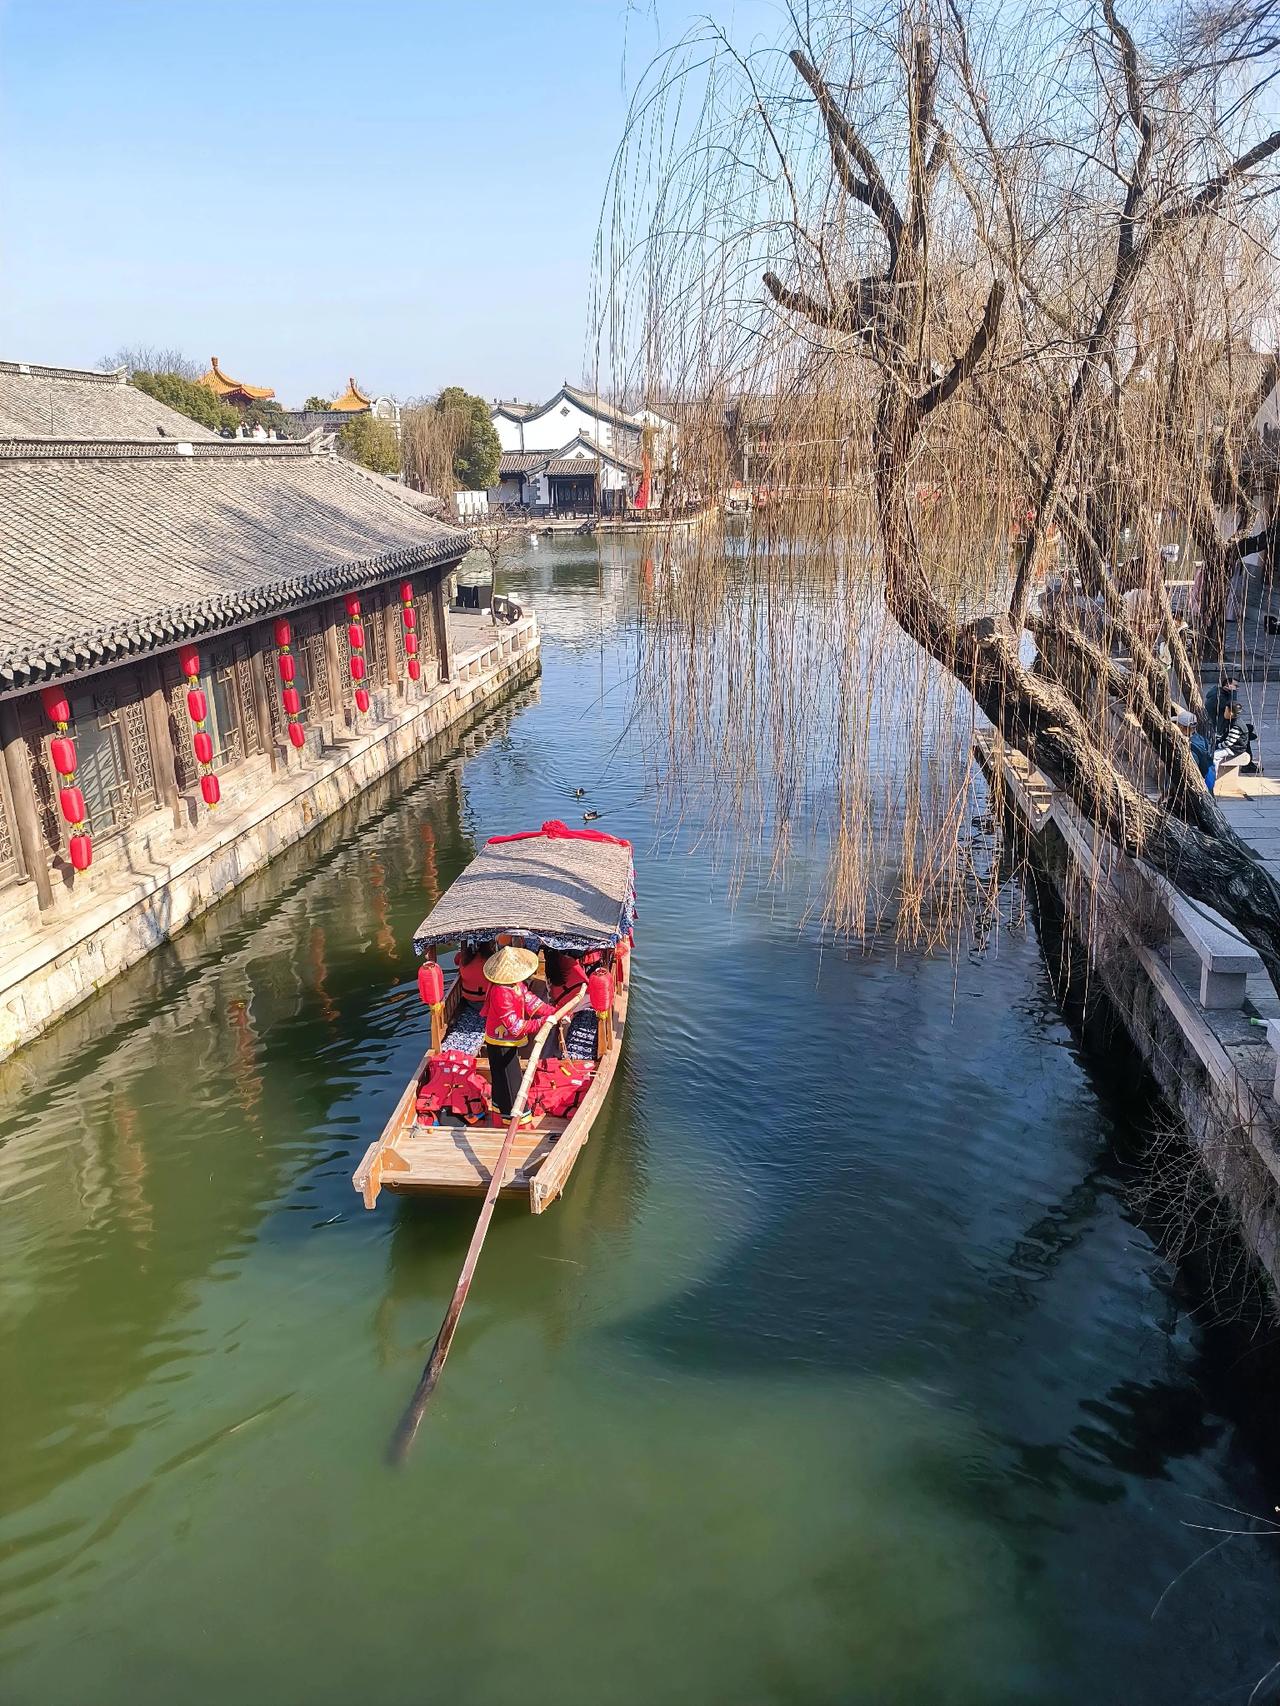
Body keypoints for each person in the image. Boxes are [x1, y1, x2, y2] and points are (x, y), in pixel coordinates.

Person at [480, 944, 555, 1123]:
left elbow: (531, 1002)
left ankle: (499, 1113)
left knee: (502, 1080)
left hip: (506, 1039)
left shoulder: (516, 985)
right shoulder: (501, 992)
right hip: (500, 1042)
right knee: (510, 1081)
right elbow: (515, 1026)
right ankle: (517, 1120)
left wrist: (553, 1012)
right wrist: (542, 1022)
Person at [456, 940, 494, 1006]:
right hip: (488, 999)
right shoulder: (492, 960)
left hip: (469, 999)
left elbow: (456, 961)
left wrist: (463, 952)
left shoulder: (463, 959)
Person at [1203, 674, 1239, 741]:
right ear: (1227, 685)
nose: (1237, 688)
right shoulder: (1218, 696)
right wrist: (1233, 692)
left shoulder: (1222, 693)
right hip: (1216, 729)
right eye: (1235, 686)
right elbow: (1232, 708)